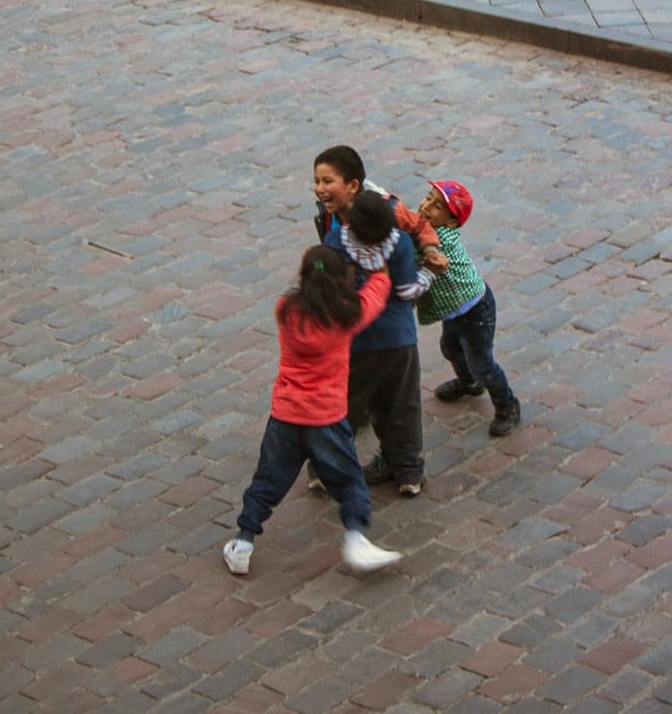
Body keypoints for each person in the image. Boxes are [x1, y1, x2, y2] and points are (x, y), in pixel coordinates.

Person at [222, 246, 404, 577]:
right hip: (326, 419)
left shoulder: (285, 310)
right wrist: (379, 272)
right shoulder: (346, 317)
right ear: (341, 280)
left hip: (286, 416)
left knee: (268, 480)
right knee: (349, 481)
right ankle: (356, 538)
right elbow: (374, 297)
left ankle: (243, 544)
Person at [310, 149, 428, 496]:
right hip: (399, 340)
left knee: (345, 406)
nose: (320, 187)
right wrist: (430, 274)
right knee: (402, 405)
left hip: (356, 340)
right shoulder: (400, 243)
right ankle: (409, 473)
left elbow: (323, 280)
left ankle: (325, 470)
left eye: (326, 180)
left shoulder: (335, 240)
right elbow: (407, 291)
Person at [414, 180, 523, 436]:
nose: (426, 206)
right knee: (450, 348)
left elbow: (414, 250)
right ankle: (469, 383)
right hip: (455, 312)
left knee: (482, 364)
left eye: (437, 206)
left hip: (476, 312)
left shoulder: (439, 239)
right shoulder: (423, 227)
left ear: (452, 222)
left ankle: (507, 405)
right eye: (428, 198)